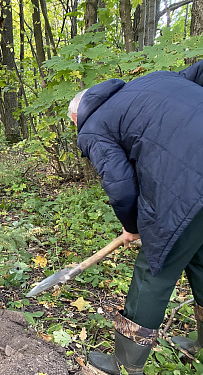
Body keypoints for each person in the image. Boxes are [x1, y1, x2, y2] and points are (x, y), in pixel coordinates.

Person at [67, 60, 203, 374]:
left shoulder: (92, 127)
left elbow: (121, 187)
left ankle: (125, 363)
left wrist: (132, 227)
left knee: (154, 267)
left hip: (189, 186)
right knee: (199, 256)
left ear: (77, 117)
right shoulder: (151, 81)